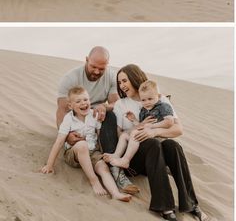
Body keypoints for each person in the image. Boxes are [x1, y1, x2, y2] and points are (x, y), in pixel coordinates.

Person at [111, 64, 205, 220]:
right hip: (135, 158)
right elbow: (119, 134)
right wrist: (140, 126)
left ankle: (191, 204)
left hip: (158, 158)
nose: (122, 86)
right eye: (119, 82)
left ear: (134, 78)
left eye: (124, 81)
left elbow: (178, 129)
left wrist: (154, 131)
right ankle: (164, 206)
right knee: (153, 144)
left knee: (172, 145)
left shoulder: (160, 100)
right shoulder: (121, 105)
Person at [56, 46, 138, 195]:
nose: (96, 72)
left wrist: (104, 107)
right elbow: (62, 109)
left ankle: (115, 167)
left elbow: (116, 104)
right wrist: (67, 135)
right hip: (77, 122)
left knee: (111, 115)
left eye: (101, 68)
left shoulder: (111, 77)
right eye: (93, 66)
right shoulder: (71, 78)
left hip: (98, 119)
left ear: (107, 65)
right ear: (86, 60)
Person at [41, 86, 131, 202]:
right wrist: (49, 165)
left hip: (93, 152)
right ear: (70, 106)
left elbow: (99, 136)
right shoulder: (69, 119)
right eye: (78, 101)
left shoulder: (94, 115)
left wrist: (104, 155)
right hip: (74, 153)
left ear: (90, 101)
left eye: (85, 100)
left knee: (103, 167)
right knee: (82, 144)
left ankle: (115, 193)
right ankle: (94, 180)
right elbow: (59, 142)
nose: (83, 103)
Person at [103, 79, 174, 169]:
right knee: (124, 135)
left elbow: (169, 122)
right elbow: (141, 125)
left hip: (156, 138)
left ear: (158, 96)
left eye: (150, 99)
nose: (147, 102)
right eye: (143, 100)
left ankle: (125, 160)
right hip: (144, 137)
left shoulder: (163, 106)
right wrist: (134, 120)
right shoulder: (143, 110)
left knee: (134, 133)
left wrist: (152, 126)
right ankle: (116, 155)